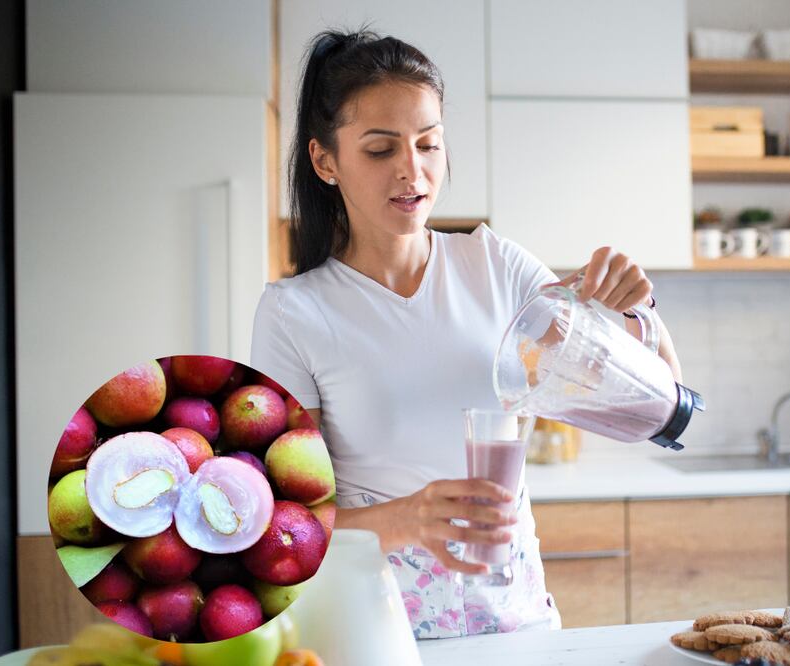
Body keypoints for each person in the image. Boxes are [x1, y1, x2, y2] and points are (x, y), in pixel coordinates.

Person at [251, 28, 682, 639]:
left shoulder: (495, 267)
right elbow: (286, 524)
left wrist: (638, 314)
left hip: (515, 625)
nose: (413, 170)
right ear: (325, 160)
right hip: (377, 632)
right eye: (380, 150)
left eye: (429, 144)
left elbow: (653, 410)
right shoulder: (294, 313)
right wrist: (407, 519)